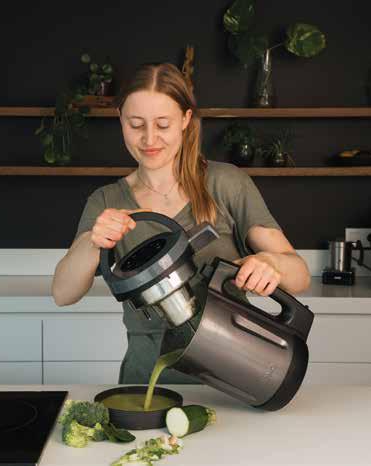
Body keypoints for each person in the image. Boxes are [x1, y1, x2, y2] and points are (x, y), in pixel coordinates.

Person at [52, 63, 310, 385]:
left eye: (163, 124)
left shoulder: (226, 184)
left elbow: (300, 276)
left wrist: (271, 263)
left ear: (186, 120)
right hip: (145, 381)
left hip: (231, 377)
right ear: (120, 119)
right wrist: (94, 240)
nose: (149, 138)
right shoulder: (107, 200)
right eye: (135, 124)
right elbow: (63, 293)